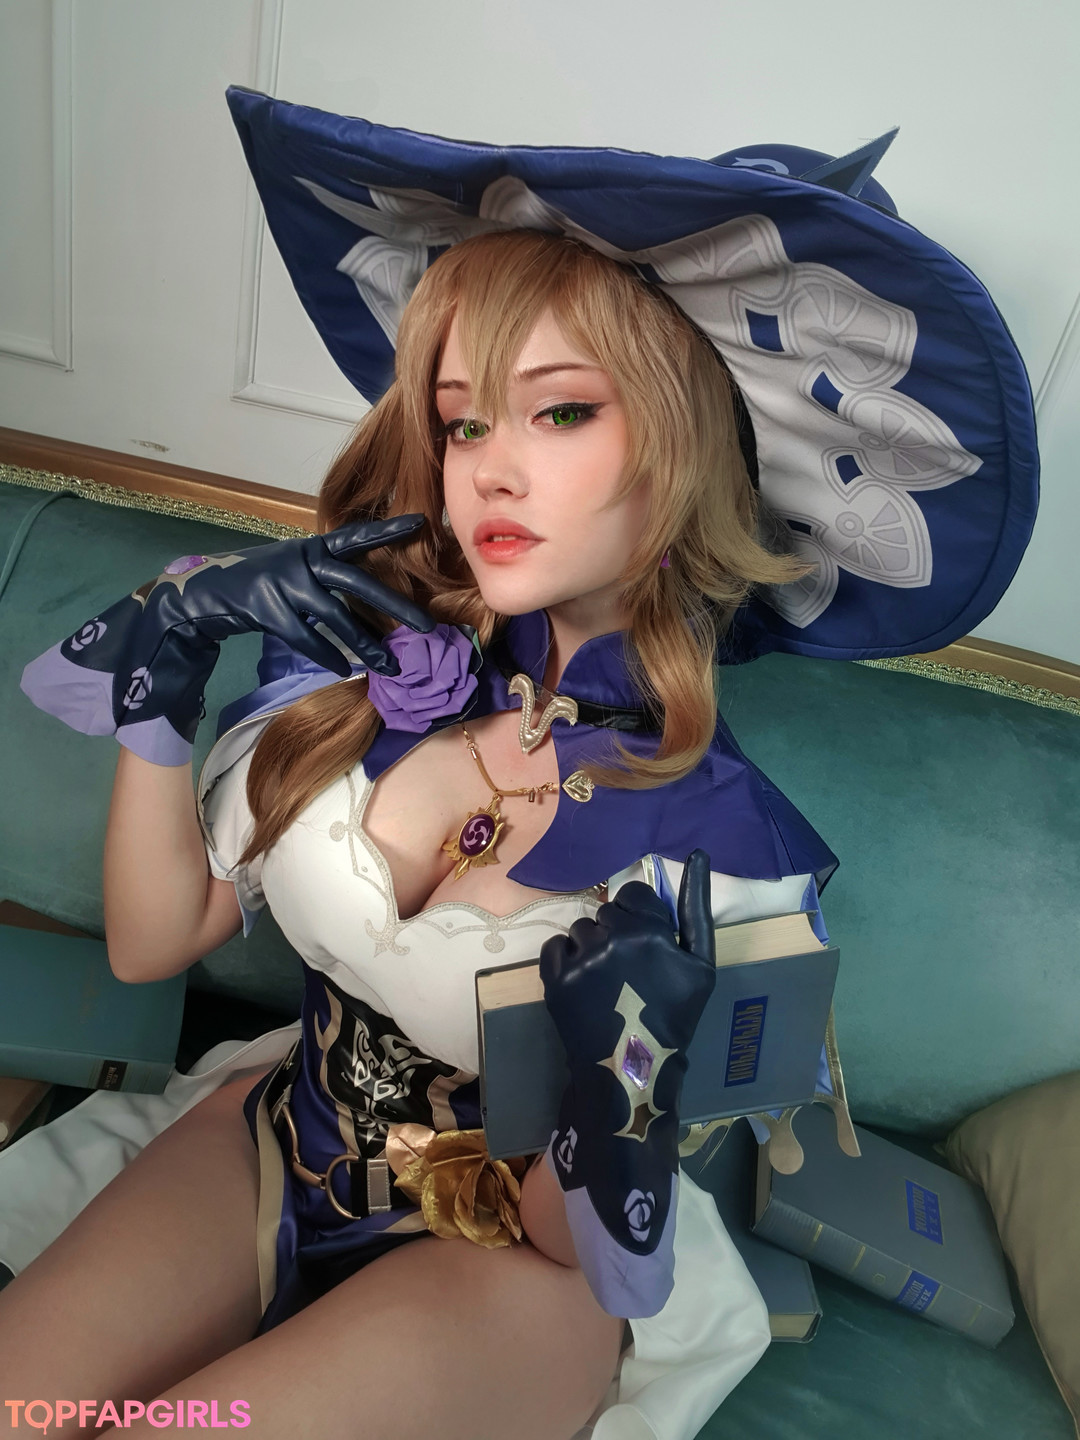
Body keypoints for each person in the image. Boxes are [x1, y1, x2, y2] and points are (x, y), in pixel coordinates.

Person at [0, 96, 1038, 1440]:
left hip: (516, 1262)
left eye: (559, 412)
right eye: (463, 424)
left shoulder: (733, 858)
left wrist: (620, 1089)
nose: (488, 474)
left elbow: (586, 1246)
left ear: (685, 447)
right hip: (279, 1141)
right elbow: (154, 947)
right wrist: (170, 663)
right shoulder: (360, 656)